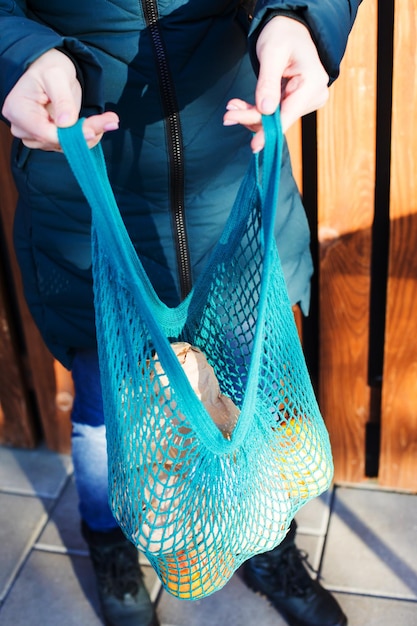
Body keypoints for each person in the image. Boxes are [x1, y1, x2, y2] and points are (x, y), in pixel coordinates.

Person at [0, 1, 362, 626]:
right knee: (104, 408)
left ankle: (265, 538)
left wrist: (300, 15)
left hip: (231, 184)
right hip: (88, 197)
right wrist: (15, 53)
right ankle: (110, 541)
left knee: (254, 396)